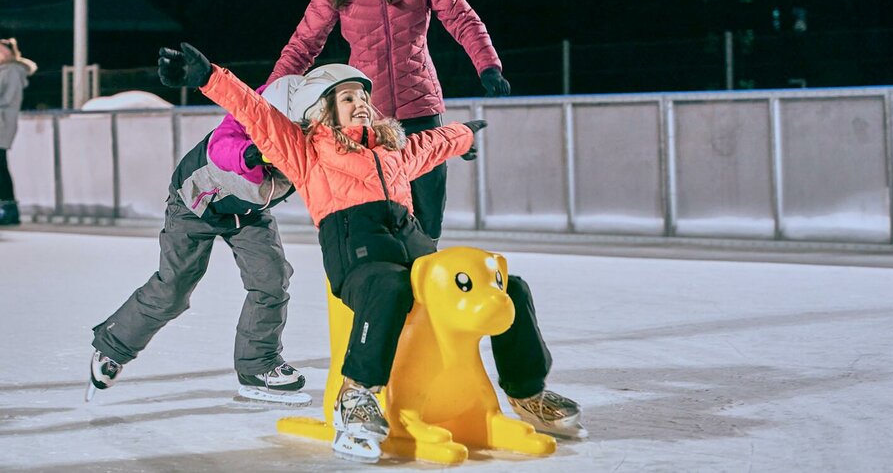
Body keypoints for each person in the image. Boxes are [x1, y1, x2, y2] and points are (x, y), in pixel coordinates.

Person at [158, 43, 585, 463]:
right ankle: (358, 396)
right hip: (356, 250)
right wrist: (208, 77)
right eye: (347, 97)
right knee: (388, 287)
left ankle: (527, 392)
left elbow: (428, 146)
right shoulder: (306, 151)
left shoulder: (390, 147)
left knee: (504, 285)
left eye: (363, 96)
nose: (361, 103)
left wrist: (461, 136)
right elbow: (256, 113)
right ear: (322, 108)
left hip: (412, 244)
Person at [268, 0, 511, 244]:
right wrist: (271, 93)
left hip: (420, 106)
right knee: (381, 210)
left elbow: (463, 19)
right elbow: (304, 42)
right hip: (367, 117)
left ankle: (422, 274)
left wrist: (488, 66)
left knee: (428, 219)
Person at [87, 87, 309, 406]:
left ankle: (258, 365)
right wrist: (253, 155)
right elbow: (224, 148)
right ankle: (112, 346)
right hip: (194, 205)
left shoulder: (313, 140)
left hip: (247, 213)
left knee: (271, 280)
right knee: (173, 289)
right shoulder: (248, 123)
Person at [0, 38, 37, 226]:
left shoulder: (12, 71)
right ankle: (7, 207)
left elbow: (7, 97)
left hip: (2, 123)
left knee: (0, 167)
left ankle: (9, 209)